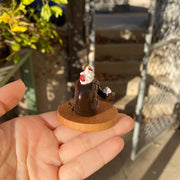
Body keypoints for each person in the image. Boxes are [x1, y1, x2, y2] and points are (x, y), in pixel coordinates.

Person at [0, 80, 134, 180]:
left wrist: (107, 94)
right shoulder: (81, 87)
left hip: (92, 109)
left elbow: (101, 93)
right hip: (83, 110)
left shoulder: (93, 85)